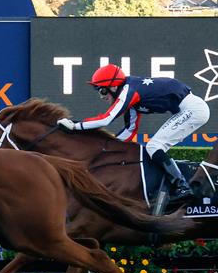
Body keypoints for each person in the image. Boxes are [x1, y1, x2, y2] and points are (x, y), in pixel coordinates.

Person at [56, 64, 209, 204]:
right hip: (187, 109)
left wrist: (75, 126)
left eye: (102, 90)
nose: (102, 96)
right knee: (154, 147)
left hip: (194, 110)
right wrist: (107, 148)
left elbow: (106, 119)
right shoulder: (130, 95)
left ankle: (182, 187)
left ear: (114, 86)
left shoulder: (128, 91)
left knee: (154, 146)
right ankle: (171, 186)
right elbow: (130, 130)